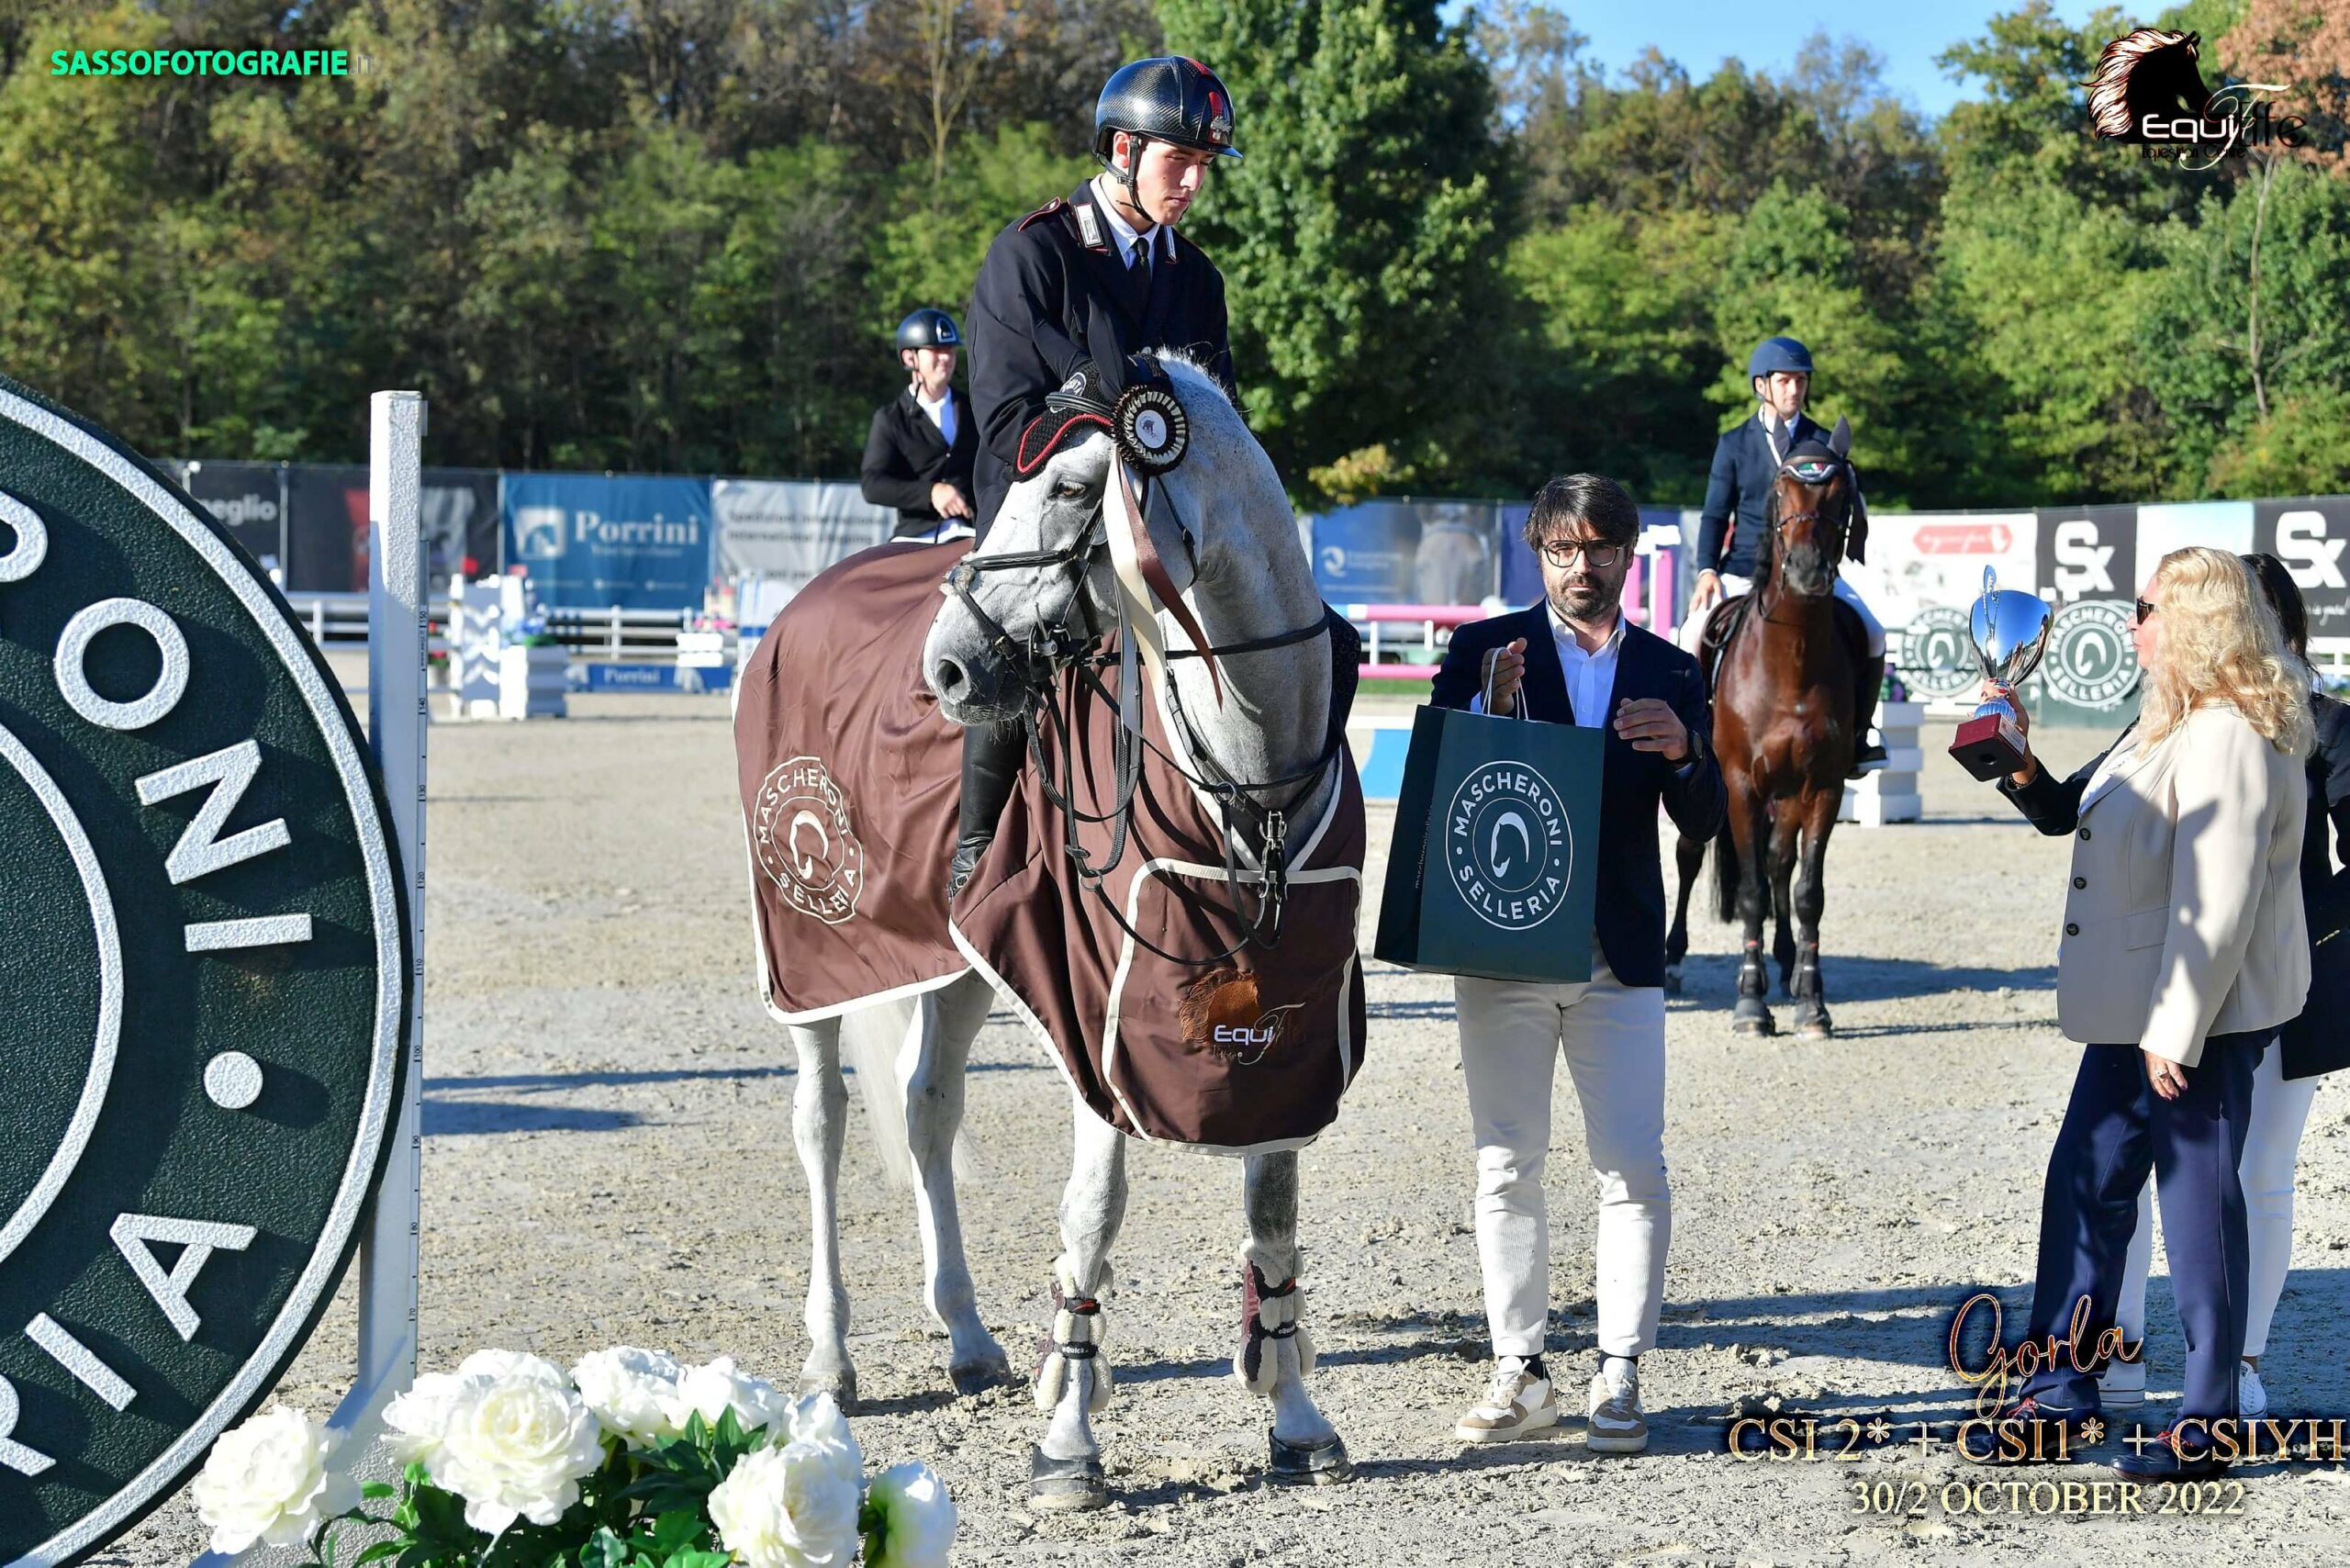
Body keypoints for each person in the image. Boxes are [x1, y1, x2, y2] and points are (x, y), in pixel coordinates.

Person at [1986, 546, 2311, 1480]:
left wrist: (2175, 1026)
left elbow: (2216, 898)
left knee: (2198, 1211)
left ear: (2200, 622)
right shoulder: (2167, 721)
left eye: (2149, 609)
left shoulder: (2233, 731)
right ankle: (2056, 1391)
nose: (2131, 626)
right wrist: (2016, 760)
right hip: (2138, 1010)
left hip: (2192, 1018)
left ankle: (2206, 1420)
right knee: (2083, 1184)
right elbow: (2085, 823)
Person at [1429, 474, 1727, 1453]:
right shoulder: (1483, 651)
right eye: (1562, 548)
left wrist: (1686, 753)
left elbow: (1707, 818)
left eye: (1599, 547)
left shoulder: (1670, 668)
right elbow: (1436, 782)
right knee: (1505, 1161)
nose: (1581, 565)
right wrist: (1489, 707)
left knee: (1631, 1166)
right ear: (1536, 552)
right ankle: (1518, 1370)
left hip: (1622, 955)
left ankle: (1619, 1373)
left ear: (1629, 552)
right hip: (1505, 947)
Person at [948, 54, 1241, 900]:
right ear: (1122, 148)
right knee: (1013, 644)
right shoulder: (1033, 254)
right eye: (1177, 161)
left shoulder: (1199, 280)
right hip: (1051, 522)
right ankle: (976, 844)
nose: (1192, 182)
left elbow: (1219, 428)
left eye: (1203, 166)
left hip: (1169, 532)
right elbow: (1006, 427)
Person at [2100, 553, 2350, 1419]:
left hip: (2286, 984)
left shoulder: (2322, 723)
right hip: (2174, 982)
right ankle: (2120, 1342)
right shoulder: (2168, 718)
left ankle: (2242, 1359)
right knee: (2134, 1175)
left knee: (2262, 1173)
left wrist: (2304, 933)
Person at [1684, 336, 1888, 774]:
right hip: (1743, 568)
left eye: (1800, 381)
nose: (1794, 390)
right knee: (1691, 634)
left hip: (1813, 571)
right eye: (1785, 381)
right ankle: (1698, 733)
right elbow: (1716, 513)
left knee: (1873, 631)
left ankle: (1860, 734)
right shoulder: (1735, 443)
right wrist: (1706, 570)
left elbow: (1849, 504)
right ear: (1763, 386)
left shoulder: (1822, 441)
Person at [860, 308, 978, 543]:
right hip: (916, 536)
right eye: (935, 350)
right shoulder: (890, 419)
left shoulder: (975, 409)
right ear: (909, 358)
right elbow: (872, 484)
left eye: (949, 349)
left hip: (973, 531)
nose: (946, 357)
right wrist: (931, 493)